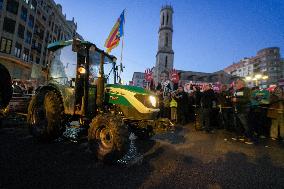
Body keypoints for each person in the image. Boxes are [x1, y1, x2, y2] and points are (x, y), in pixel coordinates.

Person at [232, 79, 253, 144]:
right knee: (238, 124)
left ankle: (249, 138)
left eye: (237, 83)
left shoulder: (247, 90)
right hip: (237, 110)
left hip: (244, 110)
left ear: (242, 84)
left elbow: (248, 99)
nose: (236, 84)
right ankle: (239, 136)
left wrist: (237, 99)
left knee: (246, 125)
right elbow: (234, 98)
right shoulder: (236, 90)